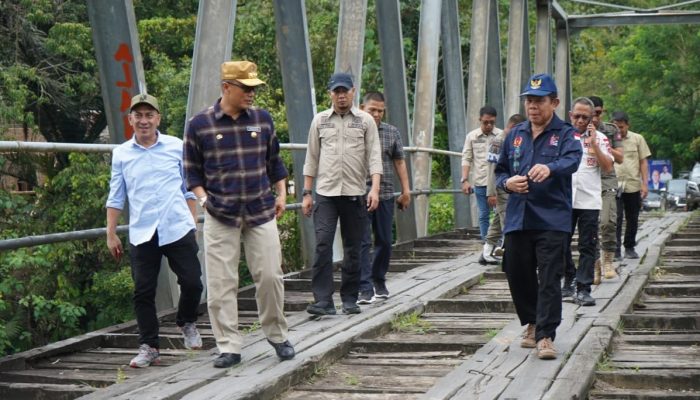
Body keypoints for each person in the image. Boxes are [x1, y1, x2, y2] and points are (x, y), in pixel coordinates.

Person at [183, 61, 294, 368]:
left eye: (254, 88)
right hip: (221, 214)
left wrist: (282, 193)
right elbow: (191, 172)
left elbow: (275, 162)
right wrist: (204, 202)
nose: (251, 94)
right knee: (221, 283)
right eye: (246, 88)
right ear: (227, 88)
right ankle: (228, 346)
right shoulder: (199, 124)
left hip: (260, 209)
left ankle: (278, 335)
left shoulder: (263, 119)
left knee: (271, 276)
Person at [106, 93, 203, 368]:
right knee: (143, 291)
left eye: (149, 115)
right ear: (130, 120)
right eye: (139, 115)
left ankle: (186, 321)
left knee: (193, 282)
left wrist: (192, 221)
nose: (144, 121)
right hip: (142, 231)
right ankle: (149, 346)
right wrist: (111, 232)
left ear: (158, 118)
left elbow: (188, 188)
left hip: (176, 225)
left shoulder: (176, 146)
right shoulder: (121, 154)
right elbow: (116, 196)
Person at [495, 73, 582, 360]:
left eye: (539, 101)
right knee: (516, 271)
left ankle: (545, 335)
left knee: (548, 276)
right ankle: (531, 321)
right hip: (518, 217)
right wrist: (507, 184)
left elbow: (573, 159)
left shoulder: (566, 133)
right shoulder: (515, 135)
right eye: (529, 101)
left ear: (554, 102)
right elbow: (501, 171)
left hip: (551, 219)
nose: (533, 106)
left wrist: (551, 168)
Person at [302, 72, 382, 315]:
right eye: (337, 92)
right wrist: (306, 192)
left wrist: (375, 190)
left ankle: (349, 298)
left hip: (355, 192)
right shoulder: (320, 120)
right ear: (330, 94)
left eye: (345, 91)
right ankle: (323, 301)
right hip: (326, 193)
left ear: (352, 92)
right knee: (323, 245)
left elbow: (374, 156)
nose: (341, 96)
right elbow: (311, 158)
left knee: (353, 248)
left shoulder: (365, 121)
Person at [357, 92, 411, 304]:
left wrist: (406, 191)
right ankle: (364, 286)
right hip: (359, 192)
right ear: (362, 108)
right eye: (372, 110)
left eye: (380, 111)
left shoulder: (391, 132)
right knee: (362, 241)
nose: (377, 114)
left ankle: (379, 279)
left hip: (386, 193)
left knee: (385, 241)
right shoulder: (354, 131)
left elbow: (399, 161)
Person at [562, 97, 613, 306]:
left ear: (592, 118)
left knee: (587, 245)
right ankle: (569, 278)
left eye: (585, 117)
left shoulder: (600, 138)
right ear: (570, 115)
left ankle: (583, 288)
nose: (580, 120)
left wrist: (593, 144)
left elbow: (608, 166)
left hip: (588, 200)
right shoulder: (561, 136)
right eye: (577, 116)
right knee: (560, 242)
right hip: (564, 198)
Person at [482, 113, 526, 264]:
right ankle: (510, 253)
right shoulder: (498, 141)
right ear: (513, 127)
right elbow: (492, 168)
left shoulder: (513, 140)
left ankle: (487, 251)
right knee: (507, 219)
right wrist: (491, 192)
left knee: (498, 219)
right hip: (500, 187)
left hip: (510, 185)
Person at [589, 96, 624, 278]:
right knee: (590, 225)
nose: (595, 117)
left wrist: (602, 145)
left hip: (607, 178)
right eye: (591, 113)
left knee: (608, 221)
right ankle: (594, 264)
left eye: (598, 113)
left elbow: (620, 157)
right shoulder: (576, 130)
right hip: (586, 179)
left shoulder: (610, 130)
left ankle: (608, 260)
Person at [612, 111, 651, 260]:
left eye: (621, 127)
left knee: (632, 217)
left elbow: (643, 162)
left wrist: (645, 184)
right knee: (615, 217)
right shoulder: (609, 139)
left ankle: (629, 247)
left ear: (627, 125)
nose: (619, 130)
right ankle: (615, 250)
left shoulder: (637, 139)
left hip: (632, 184)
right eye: (616, 127)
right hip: (614, 184)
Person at [461, 106, 502, 241]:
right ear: (480, 120)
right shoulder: (472, 137)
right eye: (485, 122)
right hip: (480, 181)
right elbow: (467, 158)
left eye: (492, 122)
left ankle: (501, 243)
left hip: (497, 182)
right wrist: (465, 180)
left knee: (499, 213)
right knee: (483, 214)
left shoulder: (501, 136)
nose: (489, 125)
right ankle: (486, 243)